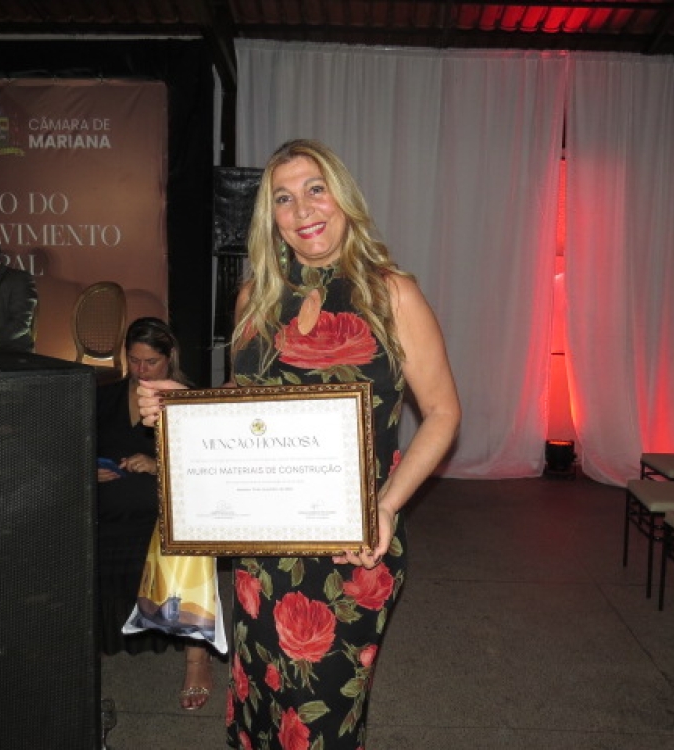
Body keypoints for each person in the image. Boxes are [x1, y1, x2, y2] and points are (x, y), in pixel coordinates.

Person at [138, 139, 462, 748]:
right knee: (263, 704)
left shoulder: (392, 295)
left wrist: (388, 504)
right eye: (284, 198)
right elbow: (243, 407)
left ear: (343, 198)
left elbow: (444, 412)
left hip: (355, 550)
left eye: (316, 189)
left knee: (323, 719)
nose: (303, 208)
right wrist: (180, 406)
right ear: (272, 218)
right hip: (264, 550)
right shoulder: (255, 299)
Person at [96, 316, 214, 710]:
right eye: (134, 361)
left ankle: (197, 661)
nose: (141, 370)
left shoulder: (187, 399)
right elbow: (74, 447)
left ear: (170, 358)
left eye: (151, 362)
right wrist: (90, 469)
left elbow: (206, 468)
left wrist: (156, 463)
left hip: (165, 509)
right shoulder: (105, 397)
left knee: (186, 537)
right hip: (109, 510)